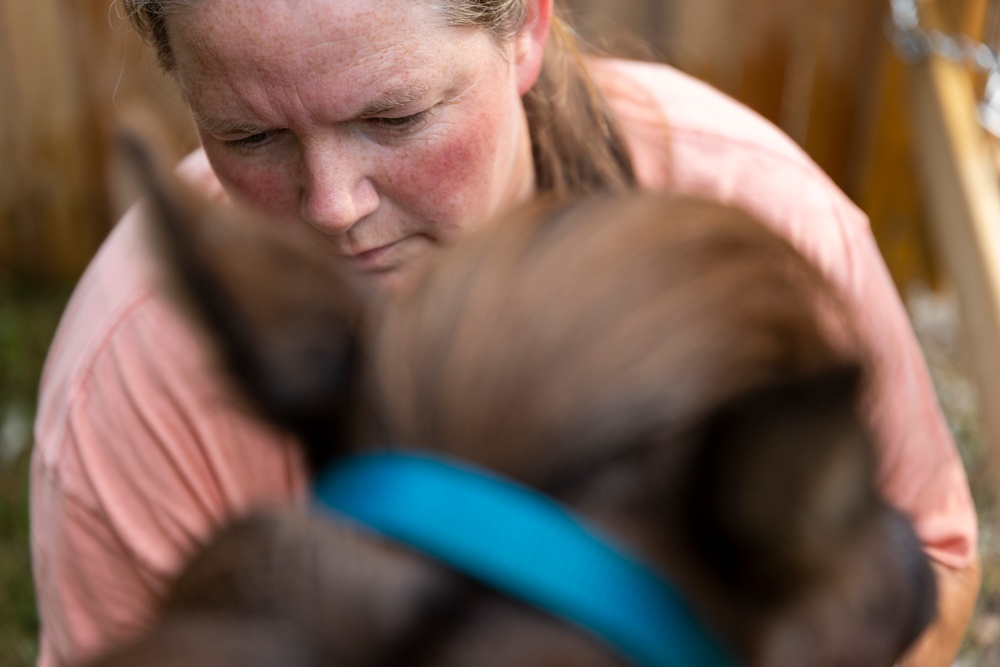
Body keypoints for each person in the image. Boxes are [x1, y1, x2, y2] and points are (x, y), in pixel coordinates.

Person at [30, 0, 978, 665]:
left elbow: (933, 557)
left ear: (525, 25)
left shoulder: (765, 223)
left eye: (394, 116)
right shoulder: (134, 378)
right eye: (249, 138)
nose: (329, 206)